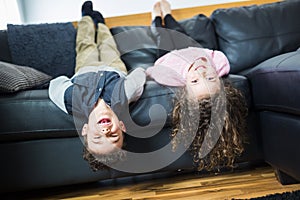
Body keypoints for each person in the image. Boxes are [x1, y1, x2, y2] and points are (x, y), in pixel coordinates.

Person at [146, 0, 248, 171]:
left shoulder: (174, 78)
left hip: (169, 55)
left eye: (195, 81)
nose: (201, 73)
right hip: (191, 47)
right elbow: (219, 57)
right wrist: (205, 59)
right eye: (210, 78)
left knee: (162, 35)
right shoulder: (220, 66)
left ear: (184, 88)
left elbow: (153, 70)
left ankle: (156, 19)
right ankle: (168, 15)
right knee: (178, 30)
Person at [48, 1, 146, 171]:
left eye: (98, 138)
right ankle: (100, 24)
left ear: (85, 129)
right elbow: (139, 75)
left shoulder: (72, 101)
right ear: (122, 126)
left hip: (85, 68)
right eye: (114, 136)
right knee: (108, 45)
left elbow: (55, 84)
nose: (105, 132)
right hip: (113, 66)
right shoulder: (125, 95)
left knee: (85, 44)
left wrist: (71, 81)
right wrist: (130, 76)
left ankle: (86, 18)